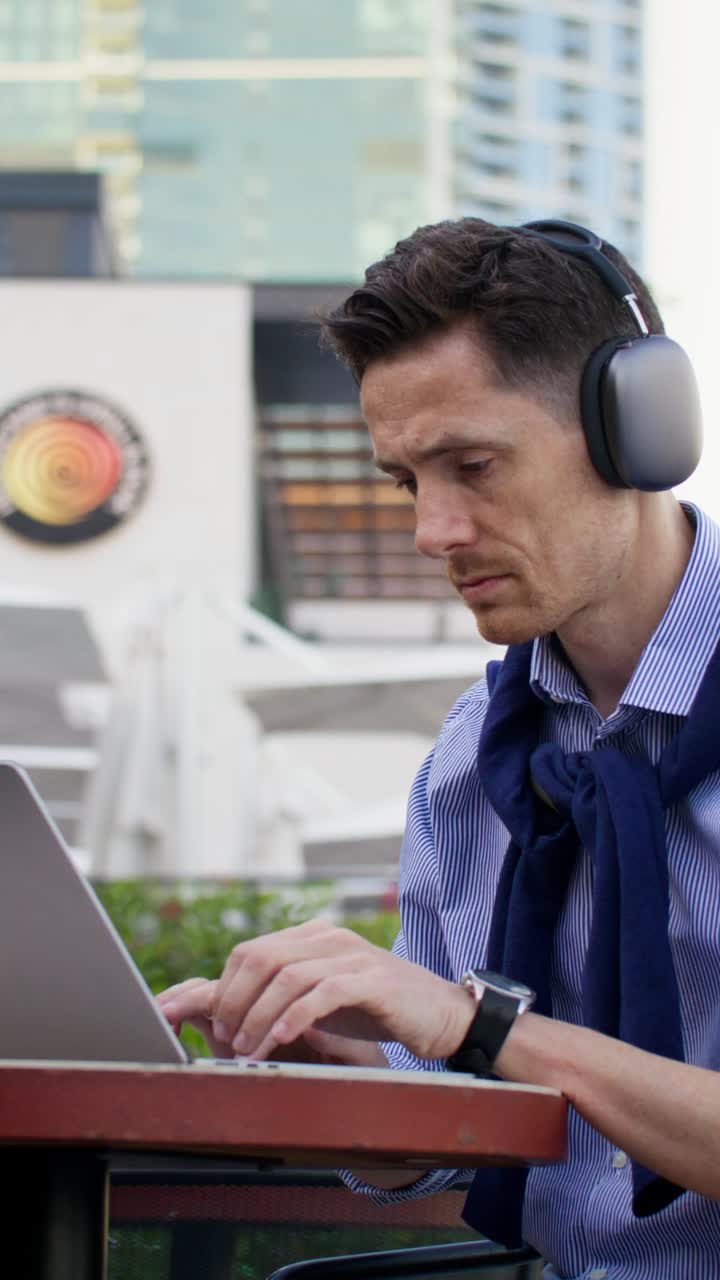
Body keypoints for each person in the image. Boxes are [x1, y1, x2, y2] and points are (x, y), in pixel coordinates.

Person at [158, 218, 720, 1279]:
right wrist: (353, 1055)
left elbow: (477, 1033)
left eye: (473, 465)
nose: (433, 532)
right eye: (408, 481)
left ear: (635, 432)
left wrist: (478, 1024)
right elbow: (455, 1106)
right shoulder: (474, 760)